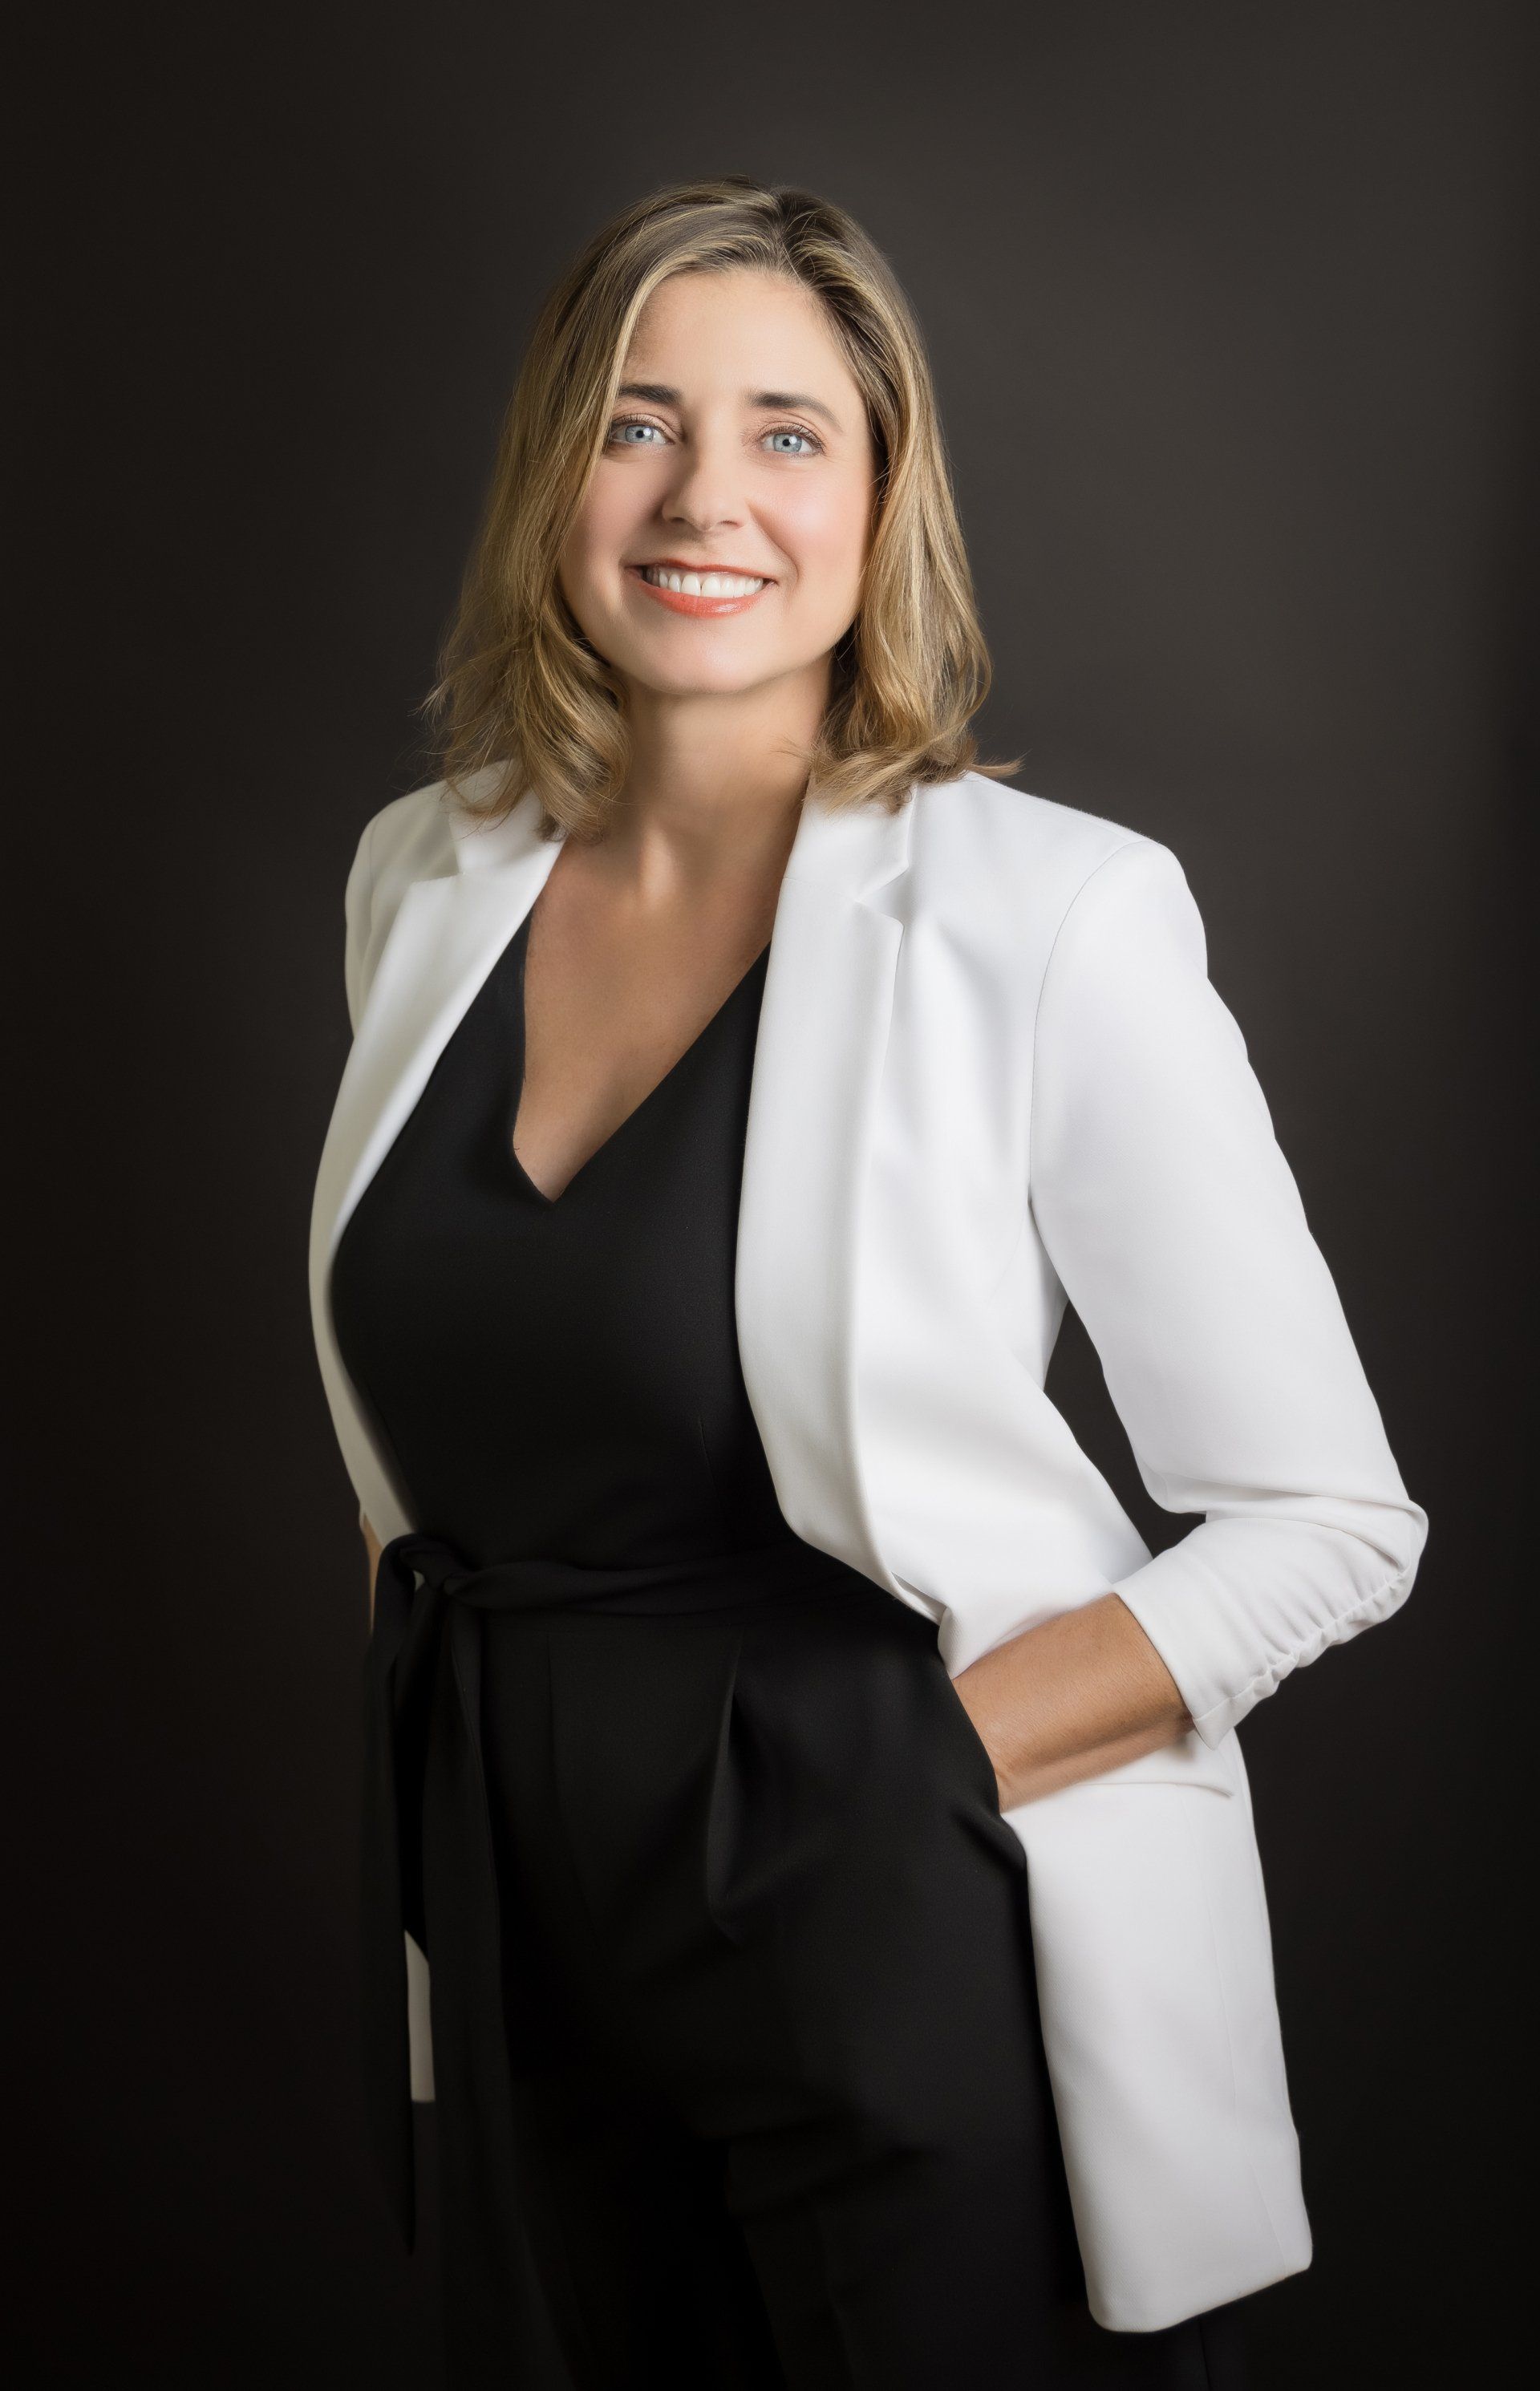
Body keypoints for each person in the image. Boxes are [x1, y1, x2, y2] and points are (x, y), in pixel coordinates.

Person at [307, 177, 1427, 2389]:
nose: (705, 494)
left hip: (904, 1964)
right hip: (527, 1973)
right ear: (556, 471)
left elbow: (1333, 1525)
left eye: (788, 432)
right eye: (637, 425)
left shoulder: (1053, 917)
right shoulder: (418, 880)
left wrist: (901, 1787)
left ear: (883, 492)